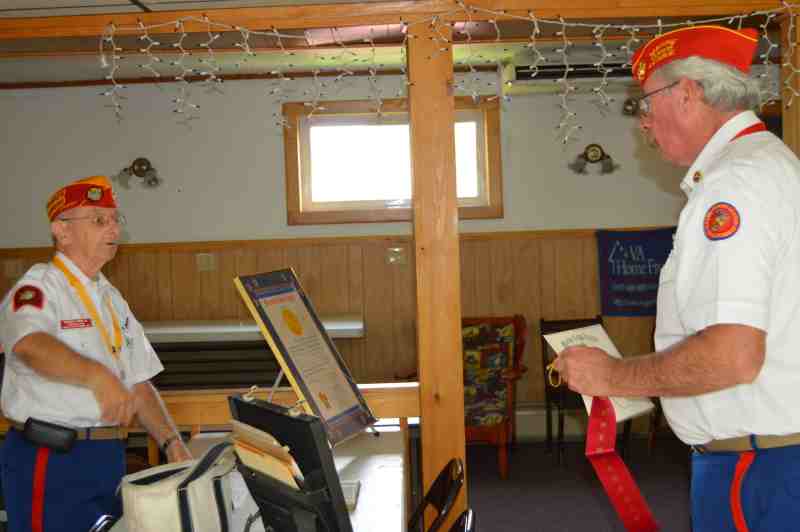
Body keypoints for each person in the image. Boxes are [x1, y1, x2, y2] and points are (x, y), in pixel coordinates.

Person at [552, 25, 800, 532]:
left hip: (759, 468)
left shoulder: (735, 184)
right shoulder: (770, 166)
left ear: (687, 94)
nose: (643, 123)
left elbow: (731, 354)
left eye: (645, 105)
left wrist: (613, 377)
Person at [0, 175, 192, 532]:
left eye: (116, 219)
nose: (113, 228)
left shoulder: (111, 298)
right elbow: (29, 344)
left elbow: (138, 383)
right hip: (52, 459)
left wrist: (172, 443)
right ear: (62, 230)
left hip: (107, 458)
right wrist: (96, 375)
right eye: (99, 220)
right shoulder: (39, 286)